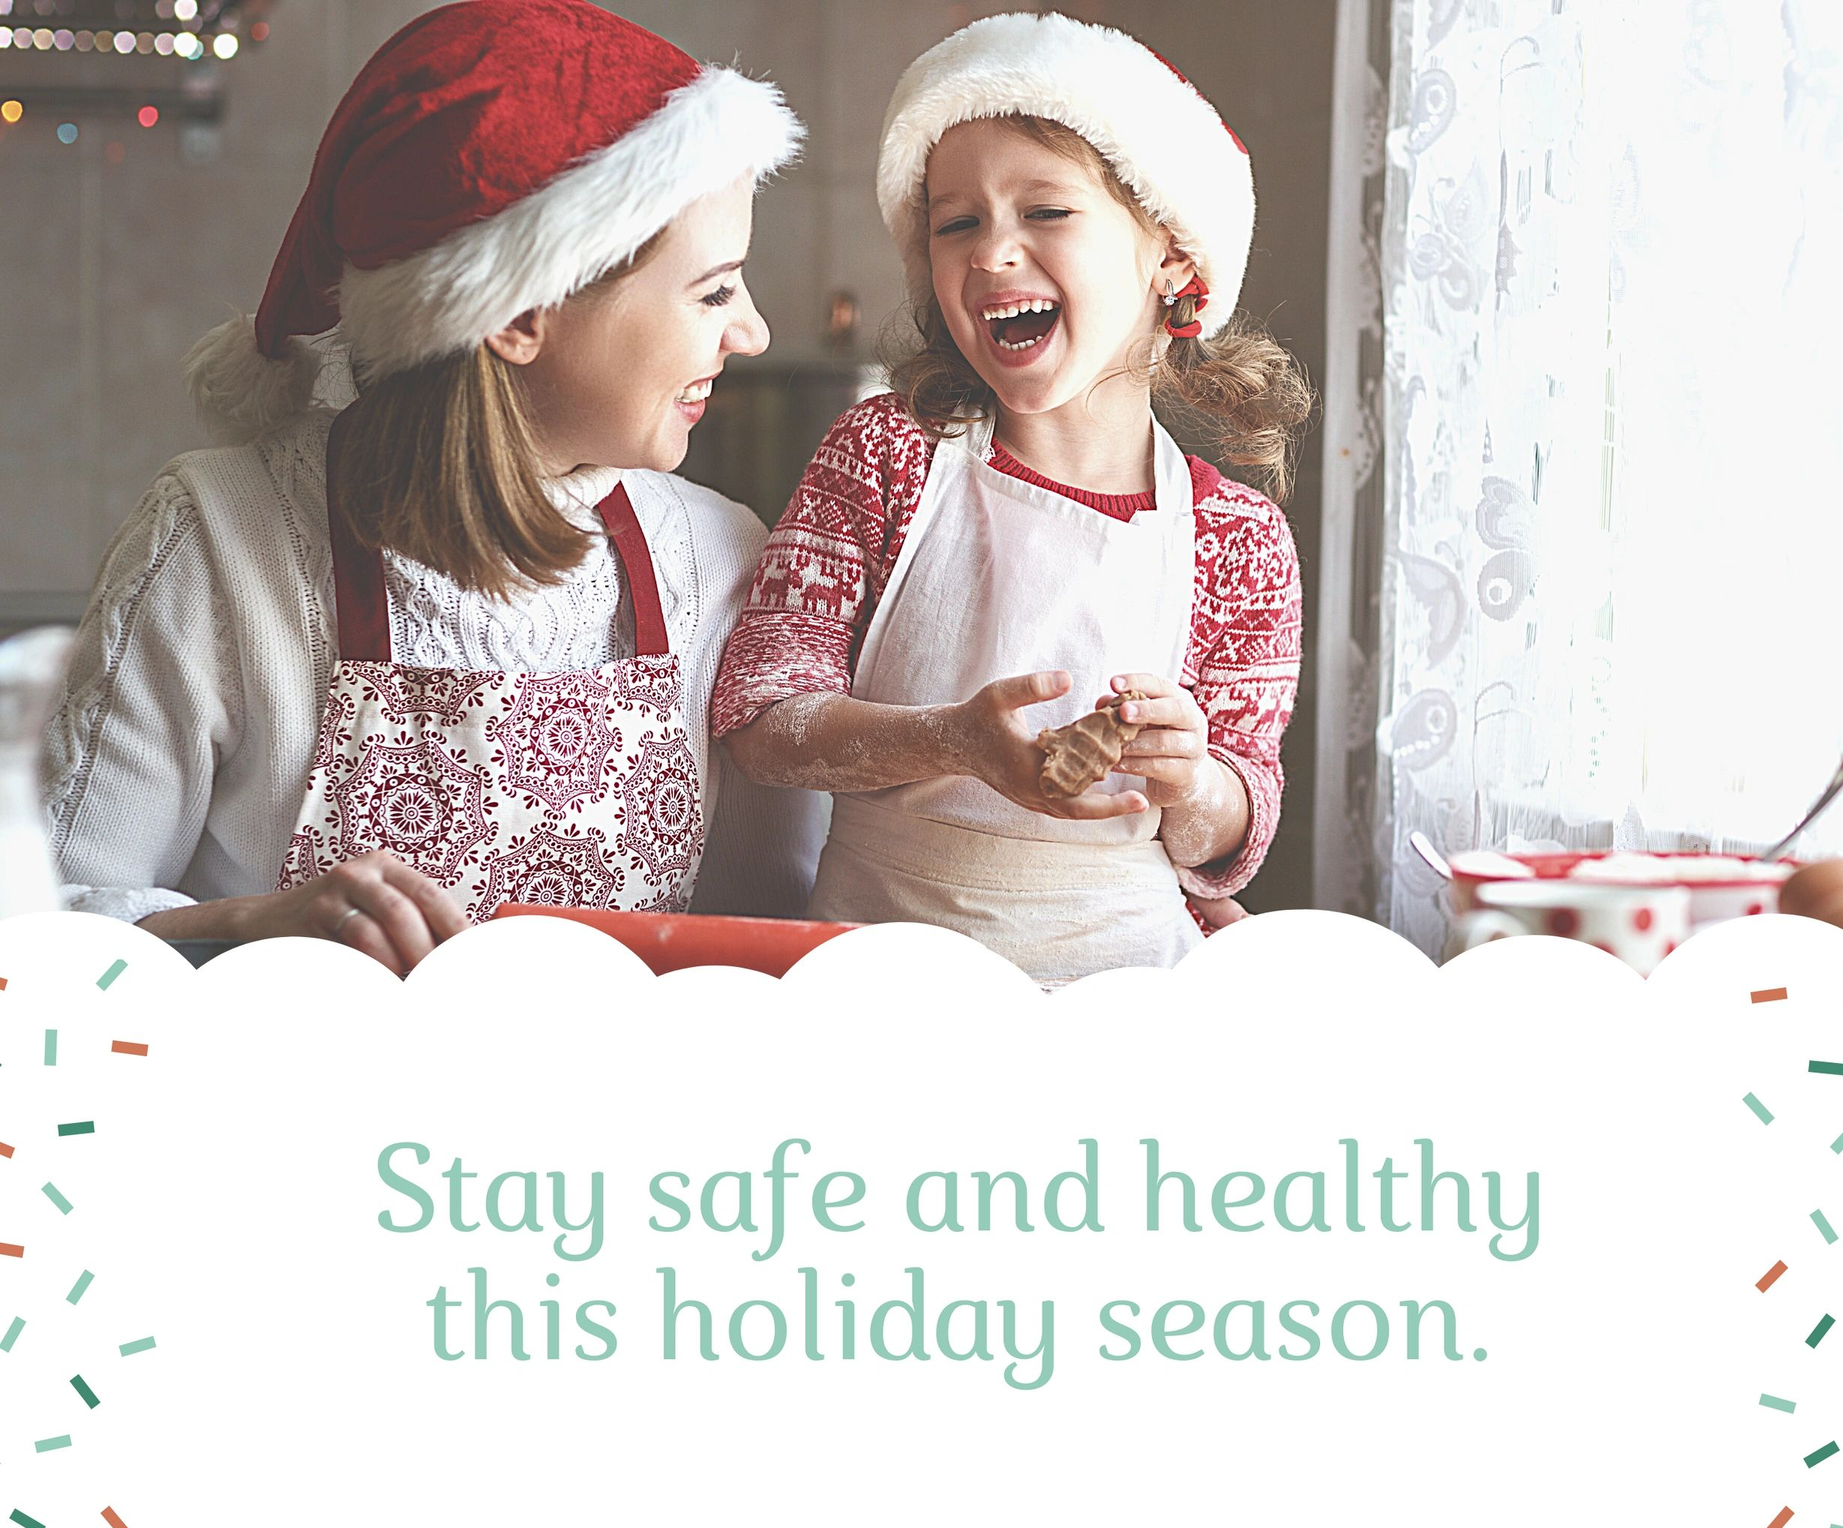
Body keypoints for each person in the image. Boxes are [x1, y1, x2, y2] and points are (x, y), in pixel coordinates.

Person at [41, 0, 826, 974]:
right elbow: (47, 930)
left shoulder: (716, 557)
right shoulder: (220, 539)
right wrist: (242, 932)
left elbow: (764, 946)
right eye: (713, 290)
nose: (749, 331)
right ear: (519, 317)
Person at [712, 13, 1308, 983]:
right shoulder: (882, 458)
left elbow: (1237, 826)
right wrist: (951, 740)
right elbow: (761, 721)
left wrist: (1192, 778)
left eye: (1046, 211)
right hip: (882, 985)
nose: (991, 253)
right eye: (957, 222)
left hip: (1123, 996)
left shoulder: (1237, 538)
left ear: (1172, 256)